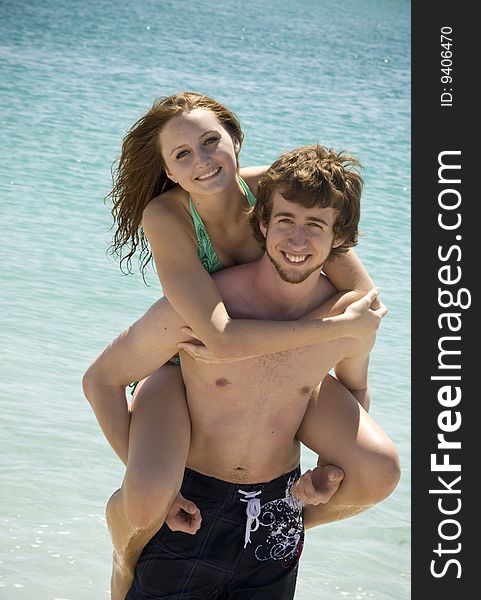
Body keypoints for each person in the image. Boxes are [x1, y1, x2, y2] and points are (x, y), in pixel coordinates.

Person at [83, 144, 400, 599]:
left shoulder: (349, 318)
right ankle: (127, 528)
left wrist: (327, 474)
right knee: (142, 513)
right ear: (262, 224)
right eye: (285, 221)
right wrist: (144, 479)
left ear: (339, 240)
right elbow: (101, 379)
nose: (297, 240)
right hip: (190, 504)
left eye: (316, 226)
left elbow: (355, 391)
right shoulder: (207, 309)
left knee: (382, 469)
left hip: (277, 510)